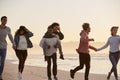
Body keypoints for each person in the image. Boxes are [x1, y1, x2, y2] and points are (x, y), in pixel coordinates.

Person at [0, 16, 16, 80]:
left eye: (6, 20)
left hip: (4, 47)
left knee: (2, 62)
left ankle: (0, 74)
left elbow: (10, 37)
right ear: (1, 20)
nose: (5, 21)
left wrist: (13, 43)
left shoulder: (8, 29)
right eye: (4, 20)